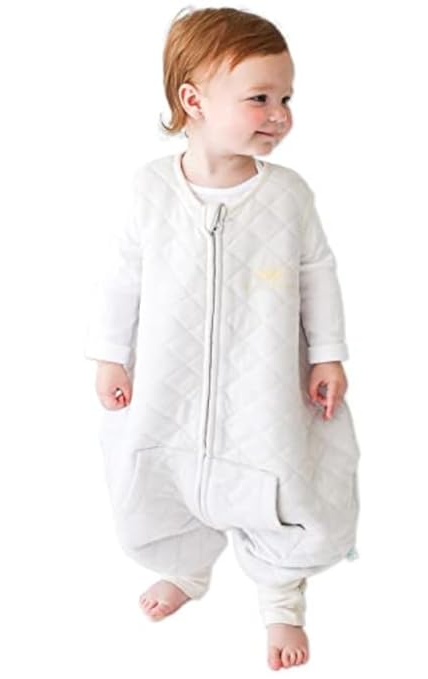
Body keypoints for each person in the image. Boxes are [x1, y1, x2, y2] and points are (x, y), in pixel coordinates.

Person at [84, 6, 361, 671]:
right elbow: (122, 277)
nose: (280, 114)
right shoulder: (150, 189)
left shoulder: (287, 195)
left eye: (286, 98)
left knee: (278, 480)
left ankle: (280, 598)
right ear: (193, 101)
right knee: (166, 473)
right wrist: (110, 354)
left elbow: (317, 273)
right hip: (170, 376)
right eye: (260, 98)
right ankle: (186, 570)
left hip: (263, 374)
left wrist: (327, 353)